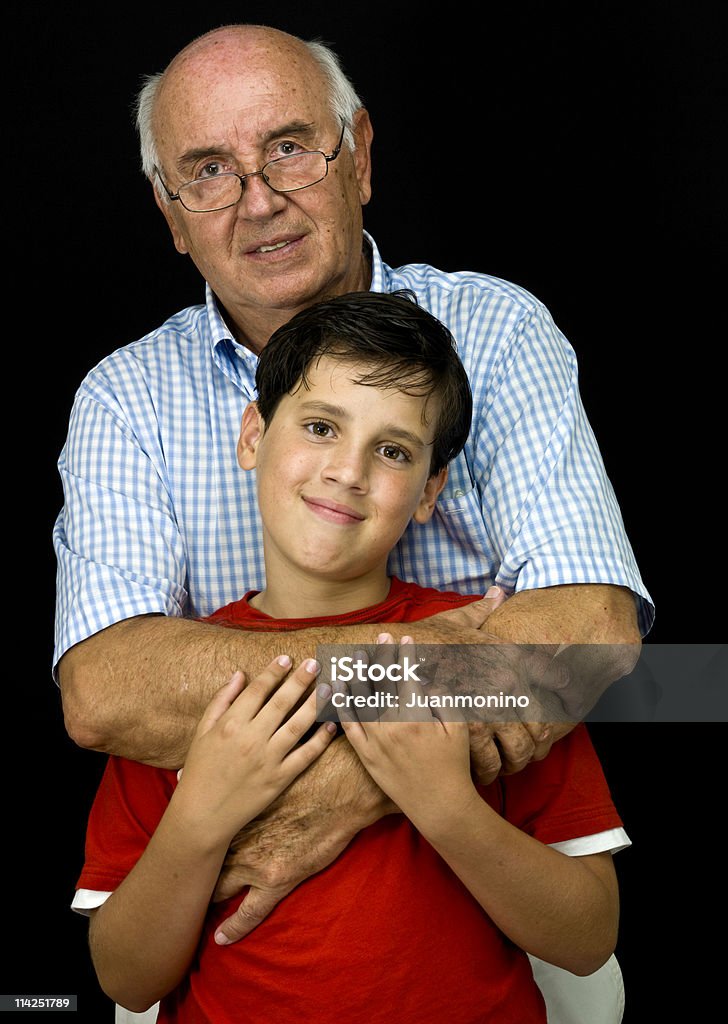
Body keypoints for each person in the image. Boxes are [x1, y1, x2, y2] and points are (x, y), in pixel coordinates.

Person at [54, 23, 651, 939]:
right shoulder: (125, 397)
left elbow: (590, 634)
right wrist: (438, 673)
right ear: (170, 213)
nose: (257, 202)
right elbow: (107, 689)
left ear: (359, 155)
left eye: (289, 148)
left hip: (490, 913)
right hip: (233, 935)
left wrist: (355, 782)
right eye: (208, 171)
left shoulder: (496, 331)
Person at [75, 292, 628, 1023]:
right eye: (319, 427)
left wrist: (444, 805)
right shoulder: (177, 682)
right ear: (253, 436)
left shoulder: (488, 663)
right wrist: (201, 816)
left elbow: (588, 940)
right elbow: (125, 978)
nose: (348, 470)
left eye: (393, 450)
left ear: (432, 488)